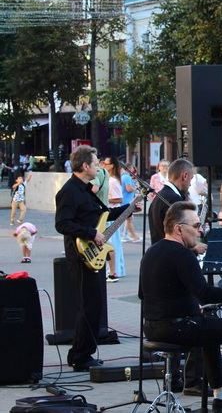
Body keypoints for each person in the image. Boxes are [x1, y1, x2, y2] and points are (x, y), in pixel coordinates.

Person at [141, 201, 222, 412]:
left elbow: (145, 294)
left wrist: (189, 306)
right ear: (179, 228)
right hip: (177, 328)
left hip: (153, 327)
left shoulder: (151, 252)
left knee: (210, 328)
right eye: (197, 226)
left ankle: (221, 394)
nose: (200, 231)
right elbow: (206, 293)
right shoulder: (182, 254)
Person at [55, 145, 134, 371]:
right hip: (80, 255)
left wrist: (129, 208)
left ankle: (83, 353)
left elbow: (102, 215)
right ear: (85, 166)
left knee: (95, 305)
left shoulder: (85, 189)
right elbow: (62, 223)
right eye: (96, 162)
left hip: (93, 255)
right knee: (88, 305)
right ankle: (79, 355)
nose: (99, 165)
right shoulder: (69, 191)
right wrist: (90, 233)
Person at [148, 159, 196, 245]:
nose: (190, 184)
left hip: (159, 250)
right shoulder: (174, 199)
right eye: (191, 178)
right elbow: (179, 234)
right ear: (185, 176)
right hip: (170, 253)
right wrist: (194, 248)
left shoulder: (160, 195)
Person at [103, 156, 126, 281]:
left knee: (113, 242)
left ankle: (114, 269)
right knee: (114, 241)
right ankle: (116, 268)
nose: (104, 166)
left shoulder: (112, 181)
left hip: (113, 213)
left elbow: (119, 199)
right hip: (111, 213)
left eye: (106, 164)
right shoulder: (110, 180)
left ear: (111, 166)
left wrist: (104, 199)